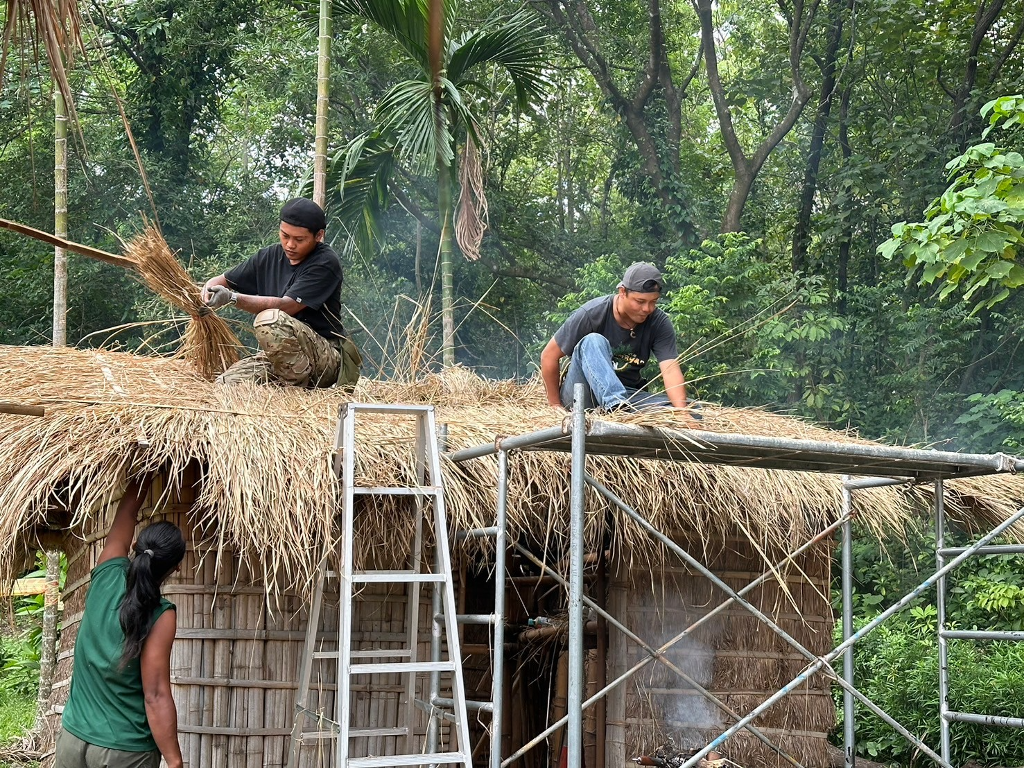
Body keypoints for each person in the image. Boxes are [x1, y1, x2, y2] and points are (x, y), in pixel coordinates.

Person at [56, 474, 186, 768]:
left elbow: (126, 511)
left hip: (72, 741)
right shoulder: (161, 614)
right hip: (125, 752)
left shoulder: (107, 571)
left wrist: (146, 469)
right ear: (176, 567)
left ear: (137, 544)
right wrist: (175, 761)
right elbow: (155, 696)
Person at [202, 198, 361, 389]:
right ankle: (278, 385)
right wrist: (207, 293)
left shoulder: (325, 262)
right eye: (285, 236)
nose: (290, 245)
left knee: (270, 319)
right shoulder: (268, 256)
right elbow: (221, 280)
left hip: (325, 356)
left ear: (319, 236)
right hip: (280, 356)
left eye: (299, 239)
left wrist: (232, 298)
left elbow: (288, 306)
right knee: (227, 385)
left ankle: (294, 390)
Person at [540, 262, 695, 414]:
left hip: (629, 396)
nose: (647, 309)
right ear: (622, 292)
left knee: (692, 410)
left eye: (653, 302)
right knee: (593, 340)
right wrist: (554, 404)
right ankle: (616, 406)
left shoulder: (658, 322)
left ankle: (619, 406)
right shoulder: (592, 313)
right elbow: (548, 356)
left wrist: (683, 414)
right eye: (640, 301)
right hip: (582, 395)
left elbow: (670, 370)